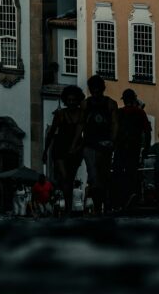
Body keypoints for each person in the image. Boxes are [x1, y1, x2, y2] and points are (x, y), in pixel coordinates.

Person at [79, 74, 118, 214]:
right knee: (94, 176)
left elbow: (115, 124)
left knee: (104, 176)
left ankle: (105, 204)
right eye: (93, 90)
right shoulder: (85, 104)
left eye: (98, 91)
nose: (95, 93)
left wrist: (112, 141)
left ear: (102, 89)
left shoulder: (110, 104)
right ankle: (97, 206)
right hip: (89, 144)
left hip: (105, 145)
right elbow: (81, 125)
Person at [42, 84, 85, 214]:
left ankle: (68, 206)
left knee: (71, 179)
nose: (71, 102)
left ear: (78, 100)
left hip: (76, 149)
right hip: (60, 147)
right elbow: (51, 133)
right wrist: (45, 151)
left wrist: (77, 147)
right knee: (65, 177)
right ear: (65, 100)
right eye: (69, 100)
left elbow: (82, 133)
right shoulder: (60, 114)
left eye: (74, 100)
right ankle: (67, 208)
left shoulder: (82, 114)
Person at [112, 88, 151, 211]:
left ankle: (120, 199)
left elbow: (114, 130)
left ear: (124, 100)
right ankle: (132, 195)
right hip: (134, 147)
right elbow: (147, 132)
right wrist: (146, 148)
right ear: (134, 99)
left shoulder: (119, 112)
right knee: (132, 172)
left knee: (118, 173)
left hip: (120, 147)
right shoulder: (140, 113)